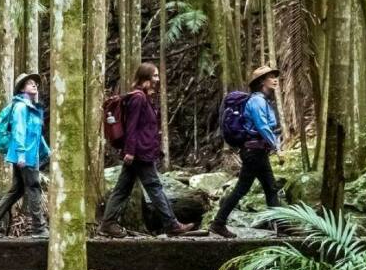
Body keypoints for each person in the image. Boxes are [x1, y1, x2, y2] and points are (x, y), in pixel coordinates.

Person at [99, 63, 196, 237]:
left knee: (122, 189)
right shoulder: (138, 98)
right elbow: (132, 126)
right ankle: (171, 224)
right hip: (139, 153)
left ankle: (108, 223)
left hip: (140, 151)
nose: (157, 79)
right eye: (155, 76)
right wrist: (130, 151)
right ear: (145, 78)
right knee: (154, 187)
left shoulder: (144, 97)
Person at [210, 65, 282, 239]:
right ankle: (218, 223)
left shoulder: (263, 100)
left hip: (257, 151)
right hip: (254, 152)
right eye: (271, 77)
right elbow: (262, 126)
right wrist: (277, 149)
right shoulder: (257, 101)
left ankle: (282, 227)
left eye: (274, 76)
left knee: (267, 188)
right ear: (261, 82)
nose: (275, 79)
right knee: (247, 189)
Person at [0, 73, 50, 237]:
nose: (34, 85)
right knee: (34, 188)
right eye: (29, 84)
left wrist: (46, 151)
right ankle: (39, 228)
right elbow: (19, 131)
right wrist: (21, 154)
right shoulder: (20, 107)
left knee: (17, 190)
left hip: (28, 155)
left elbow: (36, 135)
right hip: (24, 155)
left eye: (35, 83)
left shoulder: (33, 108)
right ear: (21, 89)